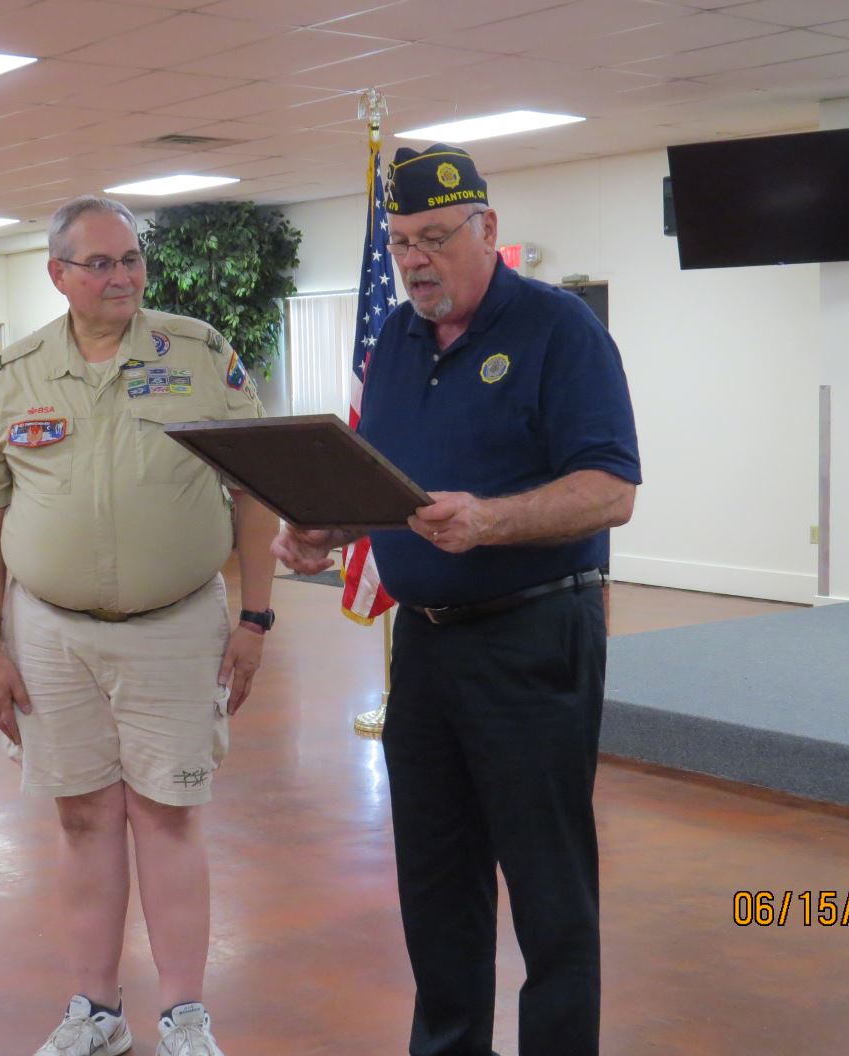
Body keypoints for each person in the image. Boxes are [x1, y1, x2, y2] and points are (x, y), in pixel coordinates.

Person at [272, 144, 640, 1056]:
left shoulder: (558, 329)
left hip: (534, 638)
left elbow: (610, 491)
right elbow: (394, 487)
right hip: (427, 648)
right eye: (401, 243)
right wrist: (329, 528)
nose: (415, 261)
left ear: (488, 229)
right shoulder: (396, 341)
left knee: (549, 888)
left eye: (435, 238)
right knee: (436, 881)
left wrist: (491, 520)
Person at [0, 195, 279, 1056]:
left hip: (177, 627)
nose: (121, 276)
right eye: (98, 263)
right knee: (83, 818)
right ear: (57, 274)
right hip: (50, 636)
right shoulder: (15, 374)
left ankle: (184, 1016)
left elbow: (256, 490)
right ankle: (96, 1012)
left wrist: (256, 616)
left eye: (131, 258)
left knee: (170, 815)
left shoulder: (198, 355)